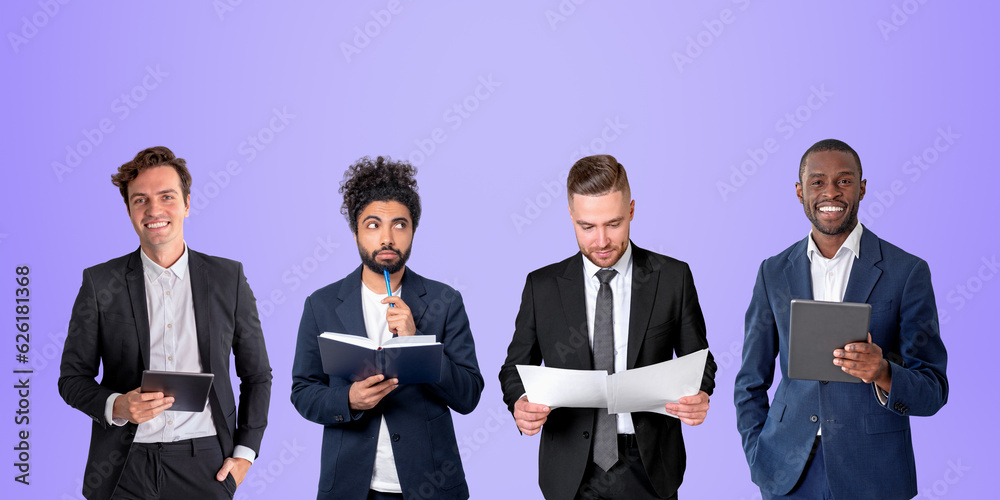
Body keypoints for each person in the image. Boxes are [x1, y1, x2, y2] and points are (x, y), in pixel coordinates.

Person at [734, 139, 949, 499]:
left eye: (844, 181)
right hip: (787, 471)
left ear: (862, 189)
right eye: (817, 182)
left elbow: (933, 390)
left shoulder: (907, 272)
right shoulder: (773, 272)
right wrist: (759, 456)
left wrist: (882, 372)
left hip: (874, 473)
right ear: (800, 192)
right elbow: (749, 382)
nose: (830, 191)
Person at [58, 146, 272, 500]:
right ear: (129, 211)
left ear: (187, 203)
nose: (154, 210)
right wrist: (117, 406)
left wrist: (245, 454)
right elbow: (71, 379)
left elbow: (257, 374)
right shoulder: (100, 283)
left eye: (167, 197)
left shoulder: (227, 278)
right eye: (140, 200)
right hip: (122, 468)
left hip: (206, 464)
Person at [499, 154, 717, 500]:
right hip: (570, 470)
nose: (601, 241)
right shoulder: (542, 286)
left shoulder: (673, 278)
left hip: (650, 466)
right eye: (587, 227)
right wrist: (520, 402)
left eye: (613, 224)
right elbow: (514, 368)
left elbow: (700, 361)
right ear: (571, 216)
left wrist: (700, 393)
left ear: (631, 210)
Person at [290, 156, 483, 500]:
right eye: (373, 225)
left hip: (431, 487)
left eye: (399, 225)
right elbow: (303, 391)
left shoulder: (445, 300)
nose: (387, 237)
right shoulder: (320, 305)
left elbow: (468, 396)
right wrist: (348, 399)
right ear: (356, 234)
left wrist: (416, 341)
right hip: (351, 488)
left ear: (412, 231)